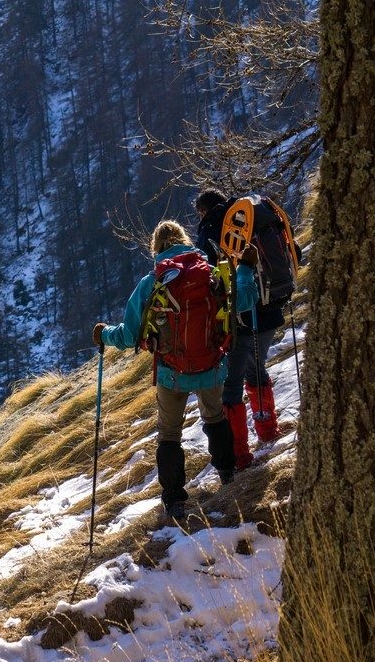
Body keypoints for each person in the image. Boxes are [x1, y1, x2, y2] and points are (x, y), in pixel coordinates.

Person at [92, 220, 258, 521]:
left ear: (156, 247)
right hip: (210, 363)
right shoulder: (211, 272)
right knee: (216, 417)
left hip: (171, 372)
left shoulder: (152, 283)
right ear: (185, 240)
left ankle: (174, 501)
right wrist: (245, 269)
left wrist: (104, 335)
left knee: (169, 434)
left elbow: (129, 335)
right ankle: (227, 473)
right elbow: (245, 300)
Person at [194, 189, 301, 470]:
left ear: (204, 211)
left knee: (231, 386)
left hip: (239, 316)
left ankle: (239, 454)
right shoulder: (255, 214)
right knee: (257, 369)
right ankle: (267, 430)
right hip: (272, 305)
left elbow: (207, 277)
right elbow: (294, 250)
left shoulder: (211, 228)